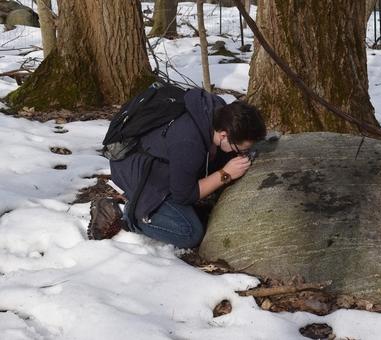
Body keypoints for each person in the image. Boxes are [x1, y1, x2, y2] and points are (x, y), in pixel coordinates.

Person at [87, 88, 267, 248]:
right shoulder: (189, 141)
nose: (244, 153)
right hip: (136, 166)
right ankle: (131, 216)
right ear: (224, 135)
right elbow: (183, 195)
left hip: (158, 155)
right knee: (189, 232)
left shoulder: (218, 112)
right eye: (241, 148)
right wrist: (225, 174)